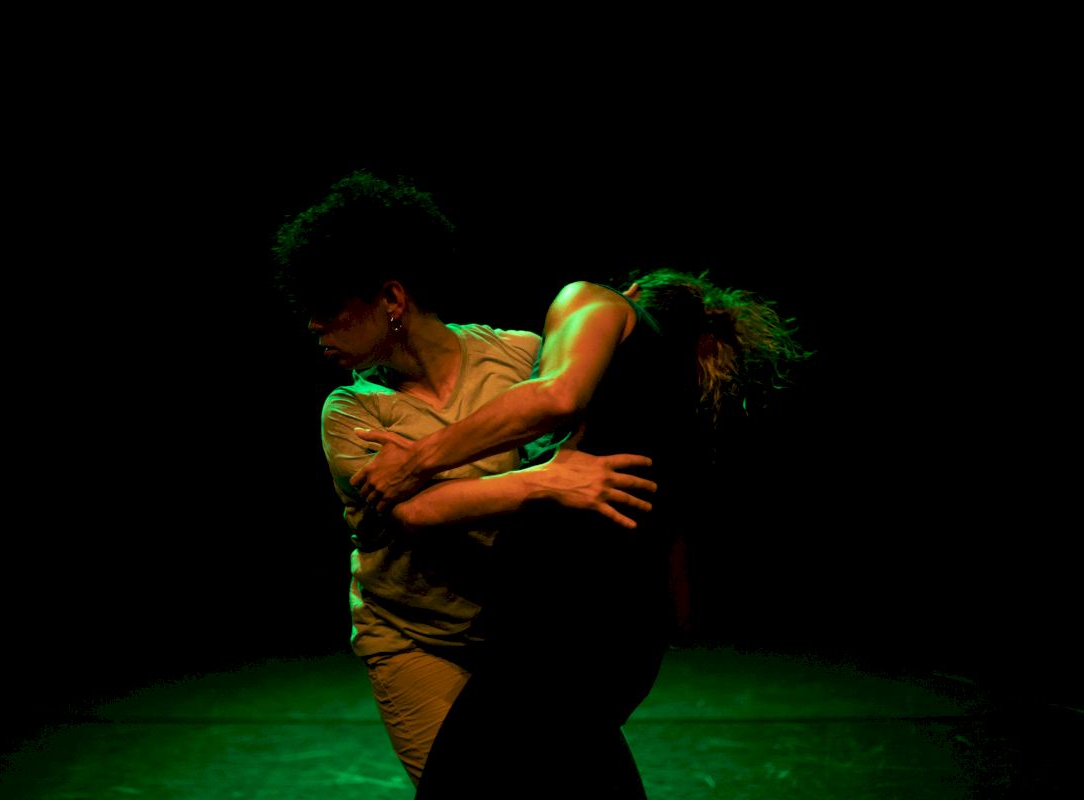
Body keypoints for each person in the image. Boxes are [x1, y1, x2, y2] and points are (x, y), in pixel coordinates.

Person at [350, 268, 812, 798]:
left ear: (634, 294)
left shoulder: (599, 301)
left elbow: (556, 395)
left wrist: (416, 462)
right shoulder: (679, 394)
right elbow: (675, 540)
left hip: (563, 625)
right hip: (623, 638)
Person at [272, 170, 656, 788]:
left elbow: (592, 399)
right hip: (416, 639)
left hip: (525, 638)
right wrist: (543, 481)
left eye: (328, 307)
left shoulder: (518, 357)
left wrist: (626, 322)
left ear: (391, 298)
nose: (314, 326)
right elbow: (411, 511)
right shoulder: (351, 411)